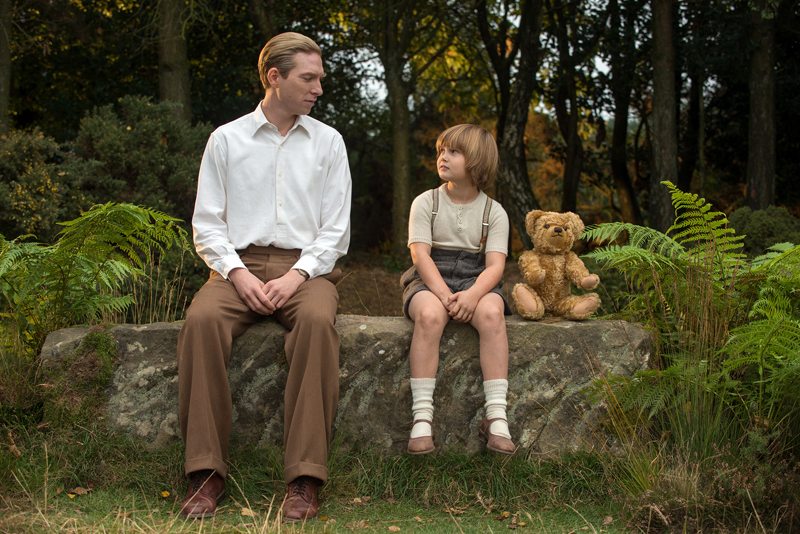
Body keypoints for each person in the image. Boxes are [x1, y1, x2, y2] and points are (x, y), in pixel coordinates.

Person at [177, 32, 351, 522]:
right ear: (274, 77)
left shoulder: (329, 143)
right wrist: (236, 272)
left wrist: (296, 276)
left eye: (320, 78)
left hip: (309, 269)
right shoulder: (226, 139)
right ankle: (205, 473)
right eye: (308, 78)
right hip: (238, 267)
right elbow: (207, 224)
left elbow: (336, 232)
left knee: (318, 324)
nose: (319, 88)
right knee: (201, 323)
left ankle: (304, 478)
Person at [401, 124, 515, 456]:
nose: (443, 157)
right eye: (441, 150)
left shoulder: (494, 212)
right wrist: (441, 294)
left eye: (454, 151)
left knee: (493, 315)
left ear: (477, 161)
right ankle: (422, 416)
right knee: (430, 316)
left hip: (475, 278)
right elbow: (420, 254)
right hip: (429, 277)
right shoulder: (427, 202)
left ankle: (496, 416)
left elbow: (495, 266)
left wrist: (474, 295)